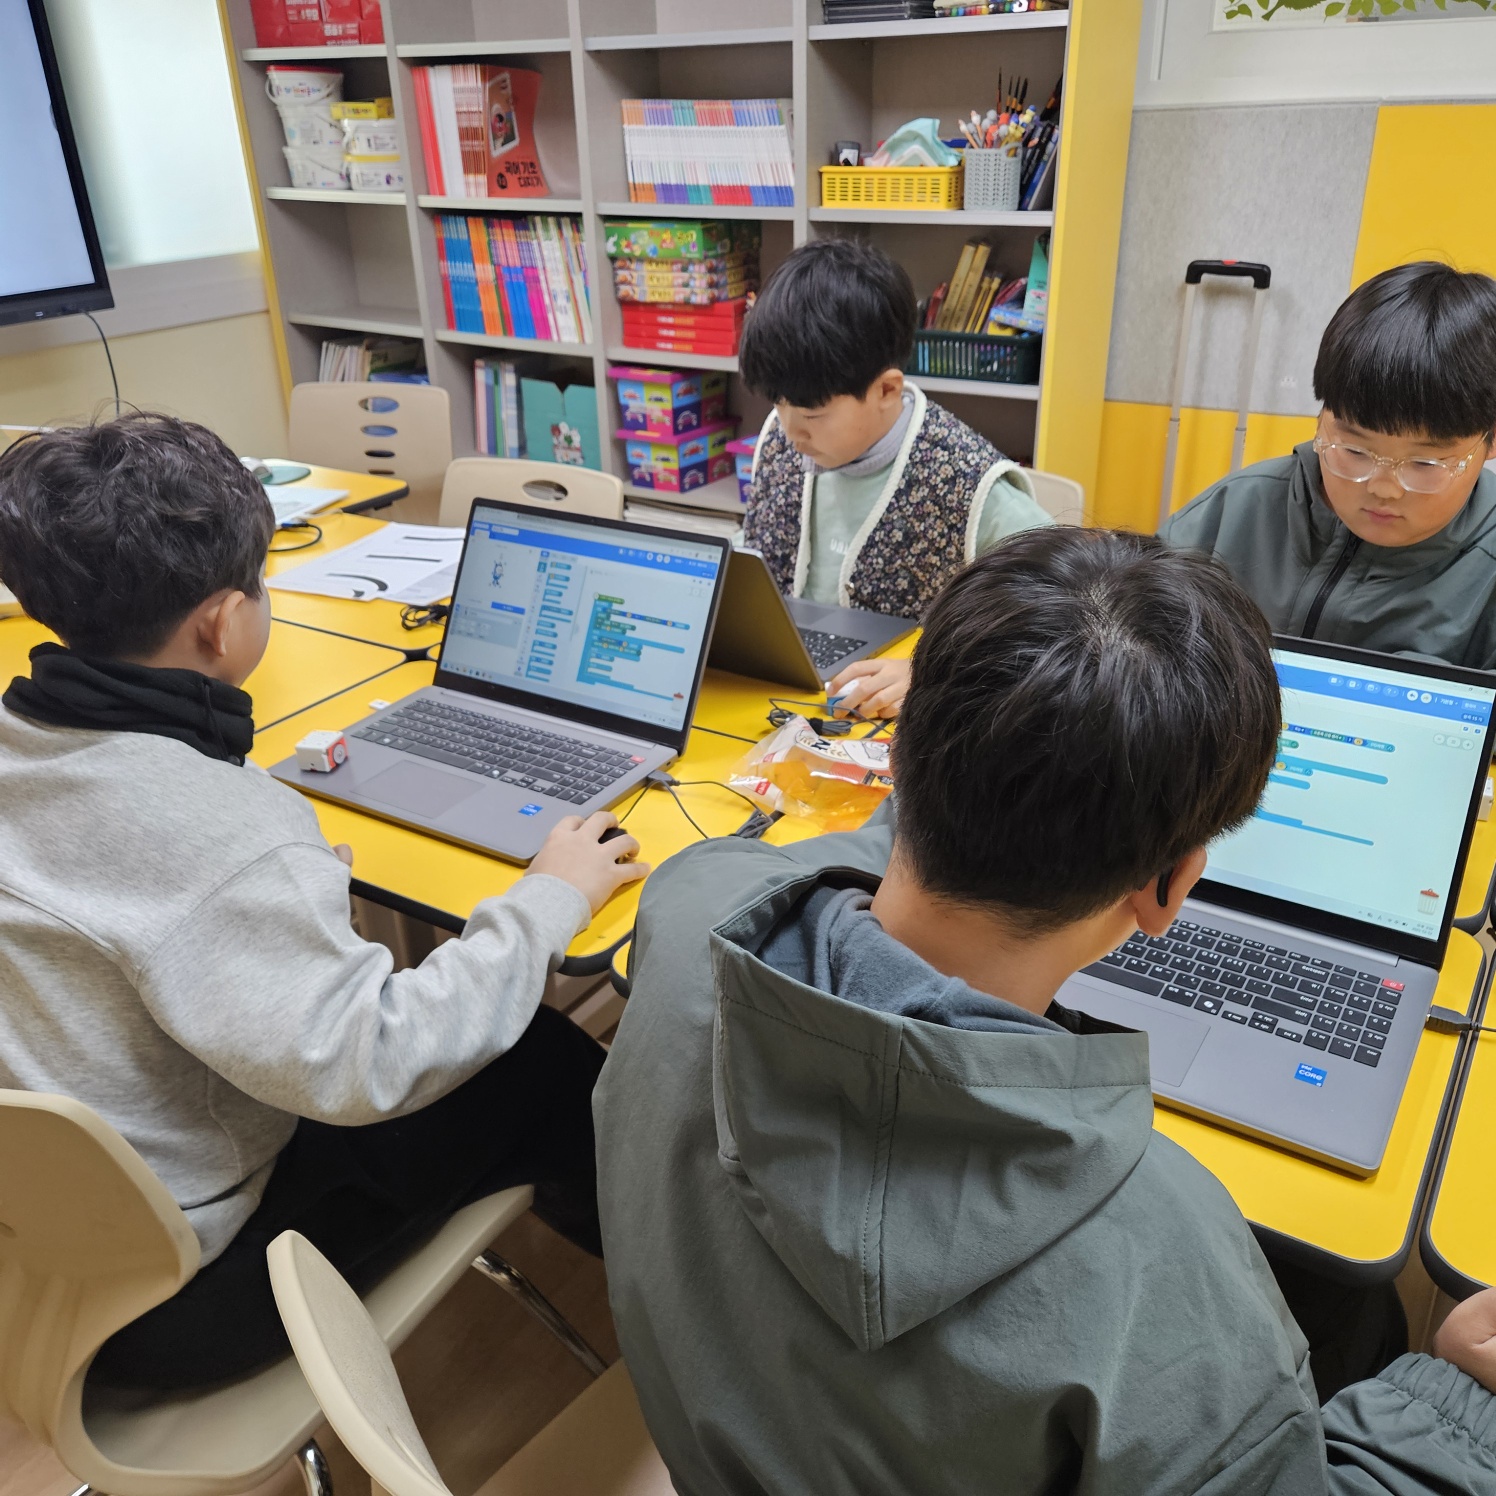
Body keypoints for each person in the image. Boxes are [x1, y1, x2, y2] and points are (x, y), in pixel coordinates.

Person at [594, 528, 1496, 1494]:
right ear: (1170, 888)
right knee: (1362, 1314)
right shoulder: (1158, 1255)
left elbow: (813, 865)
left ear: (901, 760)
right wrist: (1454, 1403)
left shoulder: (689, 905)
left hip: (720, 1441)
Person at [0, 413, 646, 1391]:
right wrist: (546, 899)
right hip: (171, 1298)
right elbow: (372, 1062)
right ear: (224, 622)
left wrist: (276, 895)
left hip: (44, 1242)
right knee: (545, 1060)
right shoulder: (223, 831)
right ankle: (673, 1297)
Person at [738, 237, 1052, 720]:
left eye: (813, 414)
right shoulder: (781, 441)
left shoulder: (966, 482)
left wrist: (932, 673)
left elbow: (1062, 618)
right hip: (777, 702)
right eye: (778, 403)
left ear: (886, 389)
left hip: (898, 726)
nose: (790, 429)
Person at [1161, 260, 1496, 670]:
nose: (1383, 487)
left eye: (1424, 463)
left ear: (1490, 440)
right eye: (1354, 451)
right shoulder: (1234, 510)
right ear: (1322, 417)